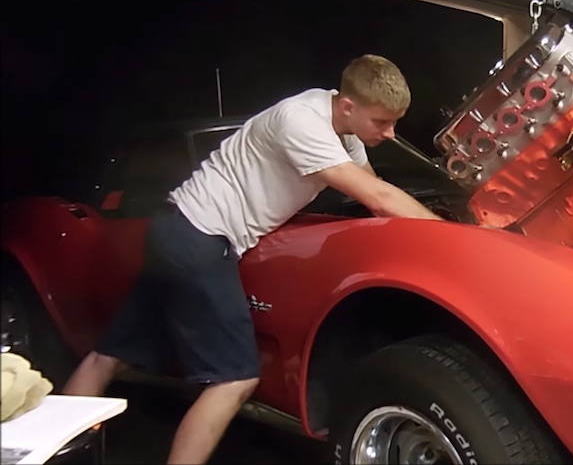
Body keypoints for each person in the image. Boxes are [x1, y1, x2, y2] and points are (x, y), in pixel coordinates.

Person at [62, 55, 444, 464]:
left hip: (174, 231)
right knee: (236, 379)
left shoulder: (344, 131)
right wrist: (451, 238)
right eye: (381, 123)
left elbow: (375, 190)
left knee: (109, 355)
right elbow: (379, 198)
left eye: (395, 123)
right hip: (201, 238)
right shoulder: (301, 121)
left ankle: (53, 451)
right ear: (348, 105)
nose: (389, 133)